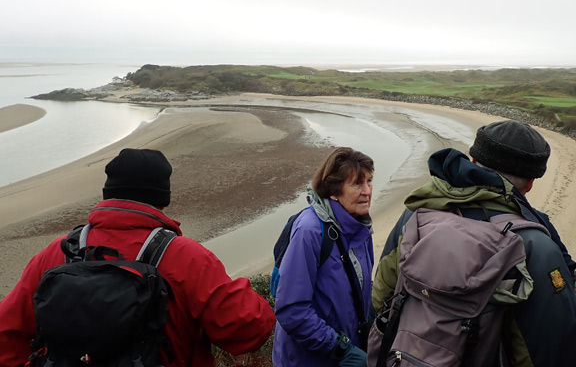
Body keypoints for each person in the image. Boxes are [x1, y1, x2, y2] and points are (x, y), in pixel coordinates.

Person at [0, 148, 276, 367]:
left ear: (108, 193)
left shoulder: (58, 251)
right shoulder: (186, 256)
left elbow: (6, 333)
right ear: (162, 200)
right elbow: (247, 331)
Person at [371, 120, 576, 366]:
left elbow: (381, 294)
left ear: (474, 161)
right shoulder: (536, 247)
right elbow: (548, 348)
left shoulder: (417, 213)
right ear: (530, 183)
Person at [273, 146, 375, 367]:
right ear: (333, 191)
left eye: (369, 181)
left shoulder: (361, 227)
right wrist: (340, 349)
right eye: (357, 184)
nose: (367, 191)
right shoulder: (310, 230)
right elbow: (291, 309)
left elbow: (359, 284)